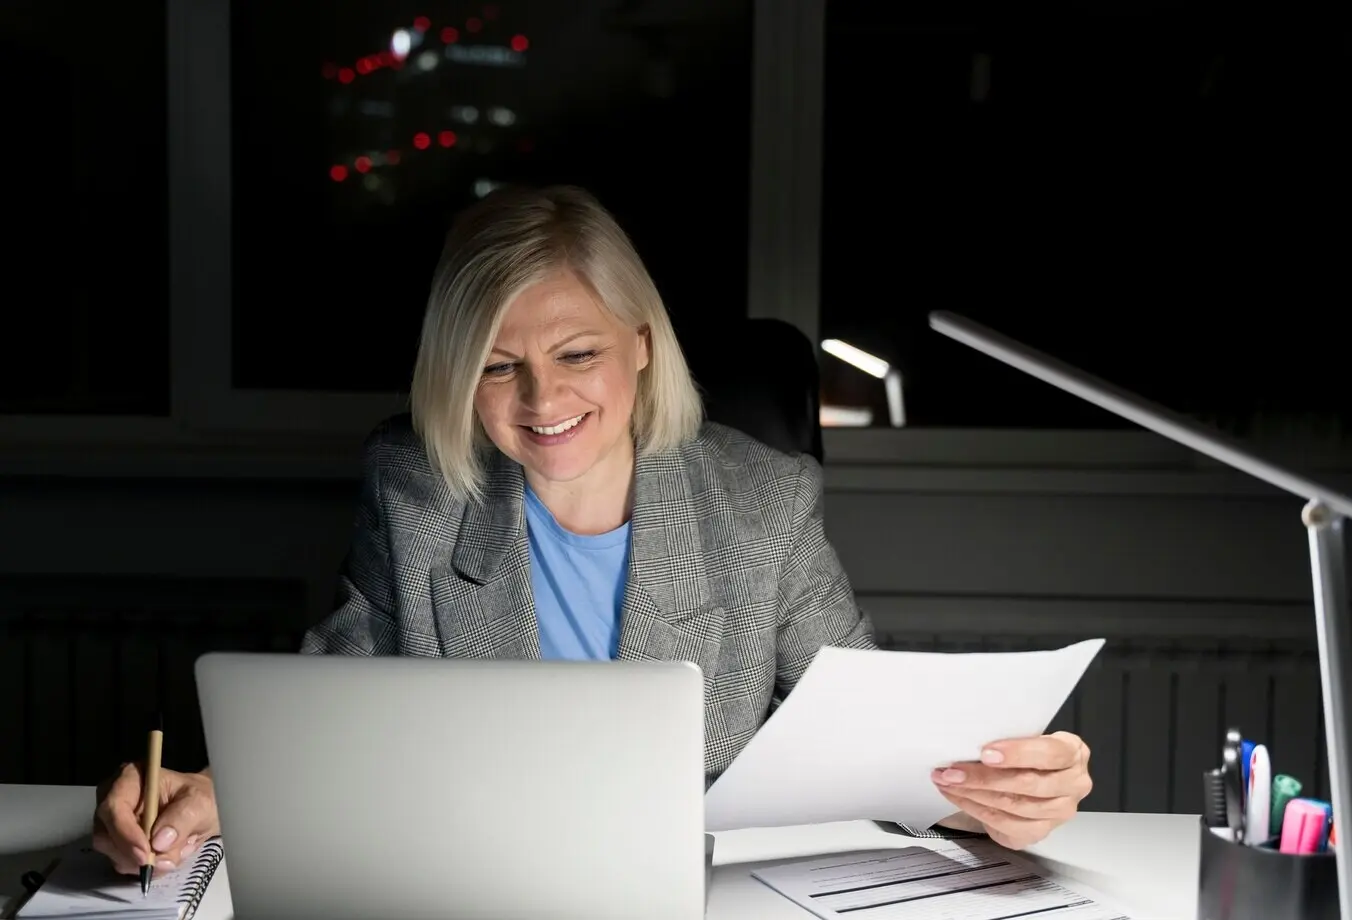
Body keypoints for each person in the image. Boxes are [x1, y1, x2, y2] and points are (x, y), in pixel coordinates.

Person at [92, 185, 1093, 878]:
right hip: (472, 882)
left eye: (578, 351)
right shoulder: (415, 487)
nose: (542, 397)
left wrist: (994, 791)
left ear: (644, 348)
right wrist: (212, 787)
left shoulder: (762, 502)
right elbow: (327, 707)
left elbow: (881, 738)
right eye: (496, 364)